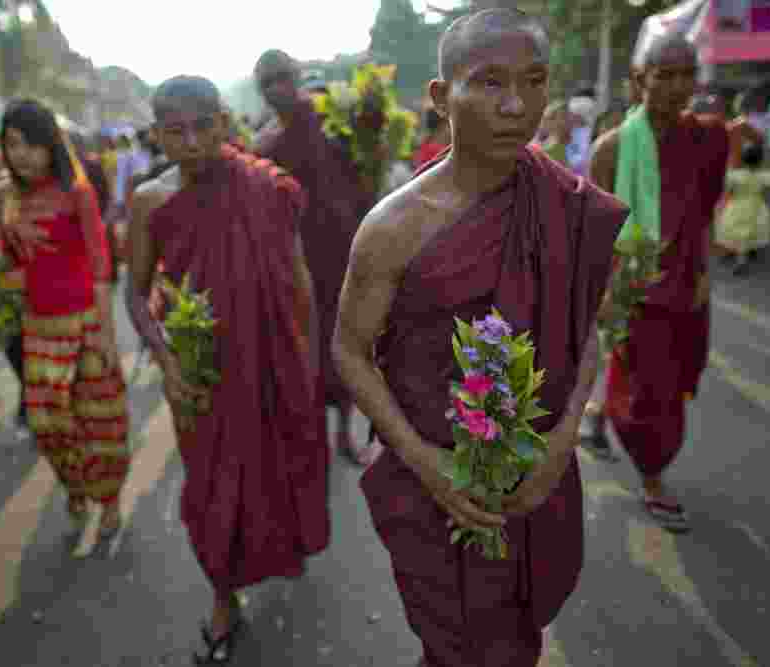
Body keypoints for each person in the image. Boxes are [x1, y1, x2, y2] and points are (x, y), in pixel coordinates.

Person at [331, 10, 625, 666]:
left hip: (532, 468)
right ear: (441, 97)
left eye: (534, 81)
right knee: (456, 643)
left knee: (508, 638)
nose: (516, 105)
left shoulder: (565, 202)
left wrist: (558, 442)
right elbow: (349, 350)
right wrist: (425, 462)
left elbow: (588, 335)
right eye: (489, 83)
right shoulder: (394, 228)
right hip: (432, 476)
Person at [126, 75, 330, 664]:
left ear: (222, 123)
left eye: (201, 126)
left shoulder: (264, 187)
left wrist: (310, 356)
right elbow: (136, 296)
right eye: (175, 131)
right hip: (202, 371)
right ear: (158, 135)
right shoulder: (151, 201)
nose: (190, 142)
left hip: (271, 355)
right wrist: (167, 362)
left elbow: (298, 275)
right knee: (211, 486)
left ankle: (276, 549)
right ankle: (222, 597)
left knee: (277, 466)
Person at [588, 33, 728, 532]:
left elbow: (706, 213)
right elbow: (595, 232)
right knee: (651, 396)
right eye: (663, 74)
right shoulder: (612, 148)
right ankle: (653, 477)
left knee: (677, 376)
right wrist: (604, 294)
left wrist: (707, 271)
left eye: (686, 74)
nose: (675, 85)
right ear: (639, 79)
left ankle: (598, 417)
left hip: (686, 284)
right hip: (633, 291)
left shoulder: (710, 139)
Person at [0, 100, 130, 549]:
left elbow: (100, 264)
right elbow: (4, 267)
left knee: (101, 419)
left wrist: (107, 334)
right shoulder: (6, 199)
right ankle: (75, 487)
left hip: (87, 322)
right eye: (13, 145)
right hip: (39, 327)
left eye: (32, 144)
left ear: (50, 144)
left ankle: (108, 501)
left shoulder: (78, 192)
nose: (23, 154)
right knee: (49, 425)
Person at [254, 49, 376, 465]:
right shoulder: (265, 142)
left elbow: (365, 171)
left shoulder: (336, 120)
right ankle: (310, 442)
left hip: (342, 254)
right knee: (303, 349)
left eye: (282, 77)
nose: (276, 88)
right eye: (266, 82)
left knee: (346, 344)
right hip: (293, 261)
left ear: (298, 74)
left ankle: (344, 432)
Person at [715, 143, 770, 274]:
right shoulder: (763, 175)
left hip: (737, 206)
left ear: (742, 159)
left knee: (738, 233)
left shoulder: (734, 175)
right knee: (749, 234)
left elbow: (726, 191)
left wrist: (721, 206)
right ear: (760, 160)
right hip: (757, 207)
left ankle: (740, 260)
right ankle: (743, 258)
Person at [536, 99, 572, 165]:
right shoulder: (549, 148)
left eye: (568, 116)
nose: (569, 120)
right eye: (563, 117)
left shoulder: (572, 142)